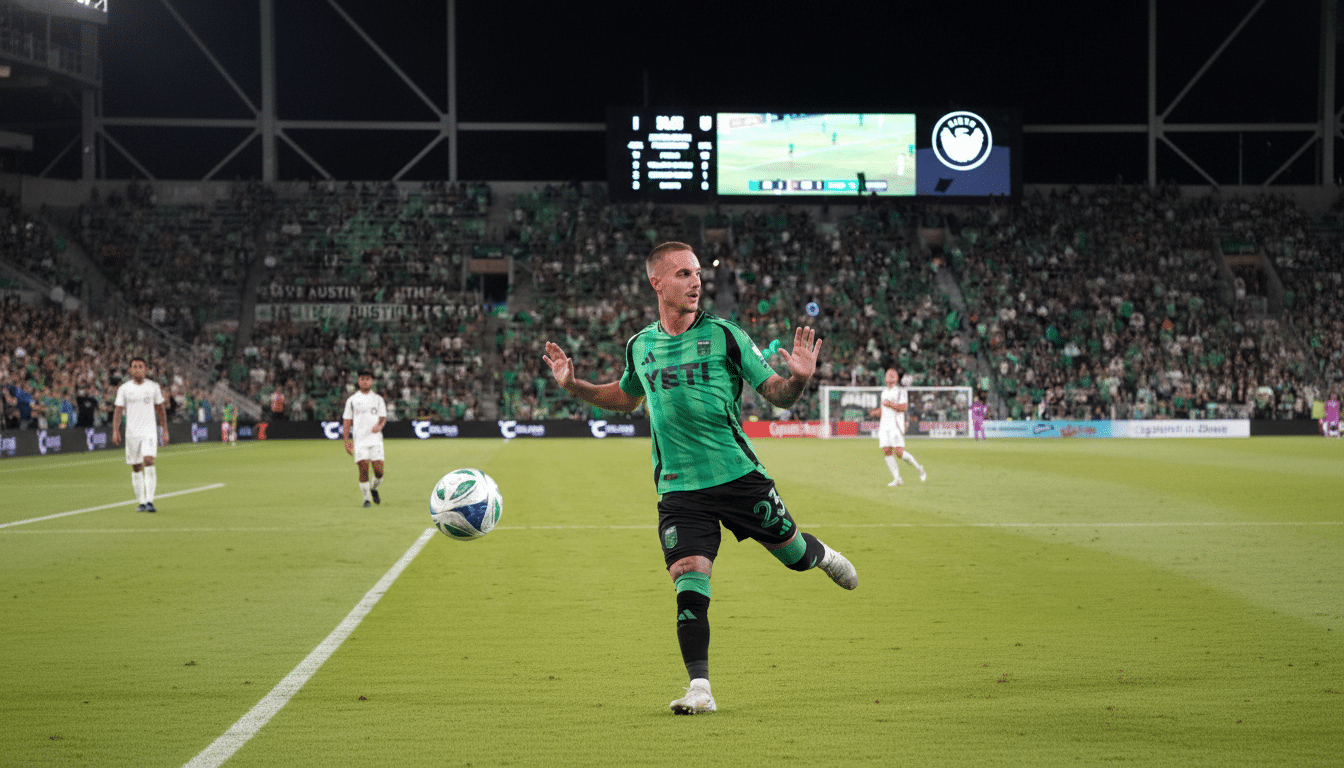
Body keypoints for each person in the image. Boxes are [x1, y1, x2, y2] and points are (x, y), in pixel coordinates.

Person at [542, 241, 857, 716]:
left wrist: (799, 379)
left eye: (697, 274)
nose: (696, 282)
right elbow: (626, 397)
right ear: (657, 283)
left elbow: (777, 394)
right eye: (684, 274)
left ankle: (822, 555)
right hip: (678, 486)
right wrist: (574, 386)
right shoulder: (640, 345)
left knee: (794, 557)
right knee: (688, 575)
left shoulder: (726, 335)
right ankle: (700, 688)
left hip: (738, 477)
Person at [112, 357, 169, 513]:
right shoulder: (124, 389)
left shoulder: (153, 387)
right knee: (136, 466)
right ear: (130, 370)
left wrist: (165, 430)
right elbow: (118, 410)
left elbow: (160, 408)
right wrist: (115, 430)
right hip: (132, 433)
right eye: (135, 366)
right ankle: (141, 502)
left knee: (148, 460)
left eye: (141, 366)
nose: (138, 369)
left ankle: (150, 501)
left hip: (149, 431)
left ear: (146, 369)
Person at [871, 367, 926, 486]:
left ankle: (919, 469)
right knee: (886, 451)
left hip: (895, 425)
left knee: (899, 453)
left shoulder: (901, 391)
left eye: (893, 374)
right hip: (884, 425)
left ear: (896, 378)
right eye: (888, 374)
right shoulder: (884, 392)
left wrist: (891, 404)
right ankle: (897, 478)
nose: (890, 375)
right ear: (885, 378)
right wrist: (876, 412)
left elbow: (904, 407)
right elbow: (884, 409)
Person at [342, 369, 387, 507]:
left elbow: (383, 418)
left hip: (375, 440)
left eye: (368, 379)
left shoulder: (378, 399)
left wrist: (380, 426)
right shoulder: (352, 400)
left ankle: (373, 488)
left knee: (379, 471)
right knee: (363, 468)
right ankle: (366, 499)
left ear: (371, 381)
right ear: (358, 381)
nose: (365, 381)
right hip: (360, 440)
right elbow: (347, 420)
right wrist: (346, 441)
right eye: (362, 379)